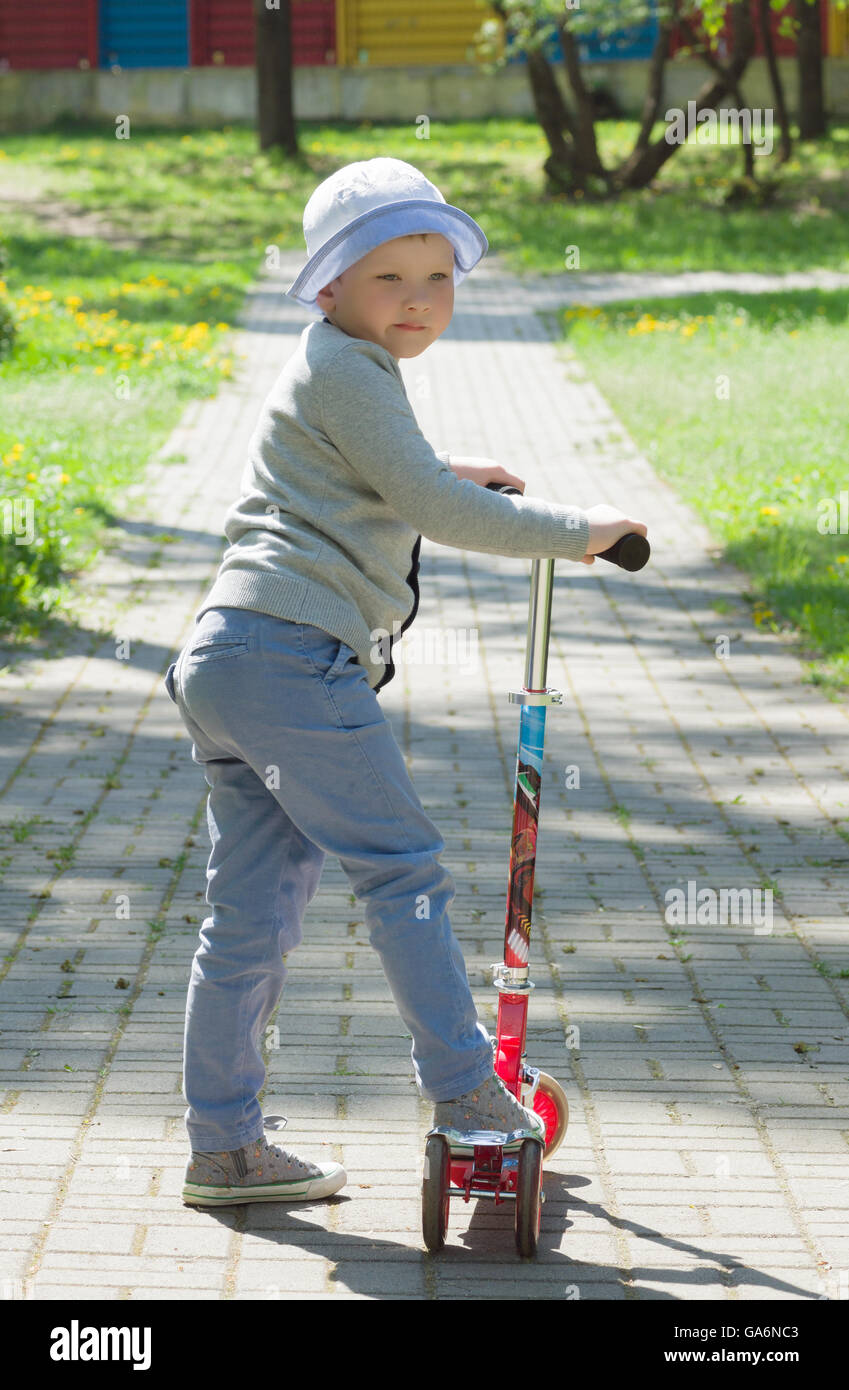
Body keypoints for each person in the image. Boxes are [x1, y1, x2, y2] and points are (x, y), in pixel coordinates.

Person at [163, 157, 647, 1207]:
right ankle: (468, 1088)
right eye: (391, 278)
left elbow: (370, 480)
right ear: (330, 286)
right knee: (404, 868)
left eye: (438, 275)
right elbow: (431, 506)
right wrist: (584, 535)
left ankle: (225, 1145)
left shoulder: (337, 369)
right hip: (293, 658)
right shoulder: (347, 367)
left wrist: (447, 472)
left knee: (249, 913)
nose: (420, 298)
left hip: (230, 658)